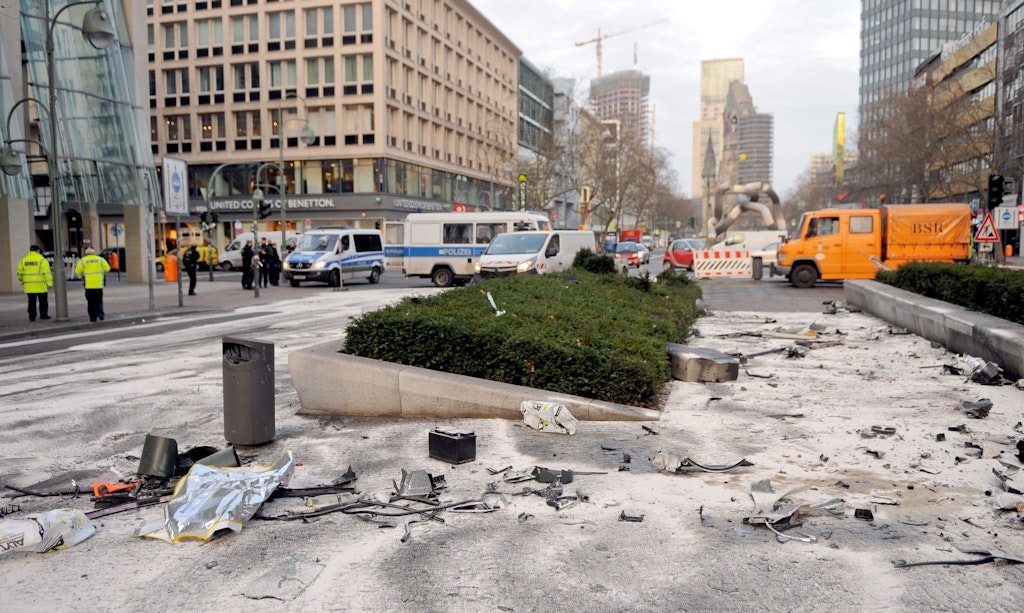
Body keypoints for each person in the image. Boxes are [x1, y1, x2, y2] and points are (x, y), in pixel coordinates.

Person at [74, 247, 111, 322]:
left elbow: (77, 272)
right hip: (98, 285)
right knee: (98, 300)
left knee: (90, 301)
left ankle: (92, 317)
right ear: (93, 252)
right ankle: (100, 313)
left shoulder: (83, 260)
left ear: (86, 252)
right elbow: (108, 269)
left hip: (89, 285)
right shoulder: (100, 259)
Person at [18, 245, 53, 321]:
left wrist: (21, 281)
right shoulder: (42, 260)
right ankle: (43, 315)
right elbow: (47, 273)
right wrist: (49, 283)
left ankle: (32, 316)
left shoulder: (23, 260)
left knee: (31, 301)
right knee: (43, 301)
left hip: (29, 286)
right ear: (38, 250)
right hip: (41, 285)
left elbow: (19, 272)